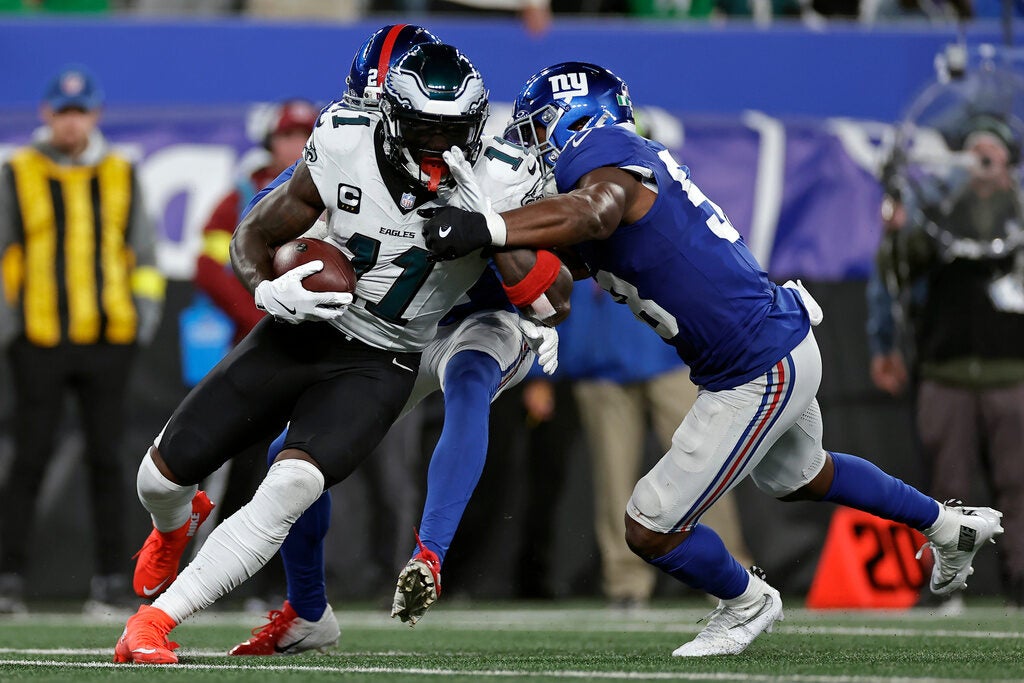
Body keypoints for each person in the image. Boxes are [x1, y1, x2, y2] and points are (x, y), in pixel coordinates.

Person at [420, 61, 1006, 656]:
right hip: (768, 345)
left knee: (649, 526)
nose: (534, 148)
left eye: (538, 130)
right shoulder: (606, 179)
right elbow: (553, 293)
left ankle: (747, 601)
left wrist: (488, 225)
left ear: (575, 119)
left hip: (757, 364)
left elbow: (592, 212)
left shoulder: (606, 153)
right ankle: (948, 526)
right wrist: (478, 255)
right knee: (802, 474)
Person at [112, 42, 558, 665]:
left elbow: (555, 298)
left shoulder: (499, 176)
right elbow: (255, 232)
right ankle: (173, 524)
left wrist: (493, 226)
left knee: (291, 482)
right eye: (426, 130)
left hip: (384, 358)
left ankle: (156, 621)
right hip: (305, 327)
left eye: (455, 131)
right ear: (391, 119)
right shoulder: (347, 140)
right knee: (158, 479)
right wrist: (266, 288)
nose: (440, 147)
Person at [0, 64, 164, 615]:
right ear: (47, 114)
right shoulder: (17, 172)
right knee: (29, 458)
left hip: (107, 338)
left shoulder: (121, 172)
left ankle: (112, 579)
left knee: (107, 460)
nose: (71, 122)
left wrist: (139, 323)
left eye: (80, 112)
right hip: (39, 338)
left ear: (95, 115)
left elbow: (144, 253)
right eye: (63, 112)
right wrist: (11, 330)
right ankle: (8, 578)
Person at [871, 112, 1024, 608]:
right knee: (946, 489)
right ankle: (944, 586)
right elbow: (896, 268)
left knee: (1018, 483)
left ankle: (1021, 579)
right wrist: (899, 231)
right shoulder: (939, 212)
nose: (983, 162)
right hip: (945, 368)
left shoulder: (1019, 212)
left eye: (992, 152)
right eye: (974, 152)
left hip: (1012, 372)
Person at [567, 280, 753, 609]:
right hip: (600, 352)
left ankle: (731, 575)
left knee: (704, 466)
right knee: (613, 477)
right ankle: (625, 584)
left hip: (671, 349)